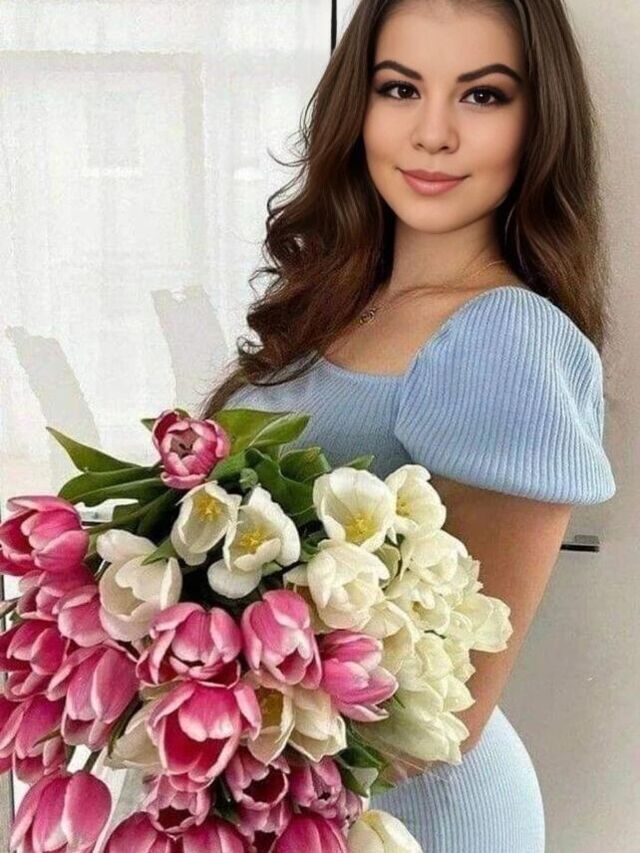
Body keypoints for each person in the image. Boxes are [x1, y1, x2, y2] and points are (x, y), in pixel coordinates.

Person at [199, 1, 617, 850]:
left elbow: (442, 713)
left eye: (482, 95)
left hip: (405, 820)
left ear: (539, 122)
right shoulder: (338, 305)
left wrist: (186, 688)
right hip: (288, 800)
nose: (432, 133)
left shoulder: (505, 337)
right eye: (400, 88)